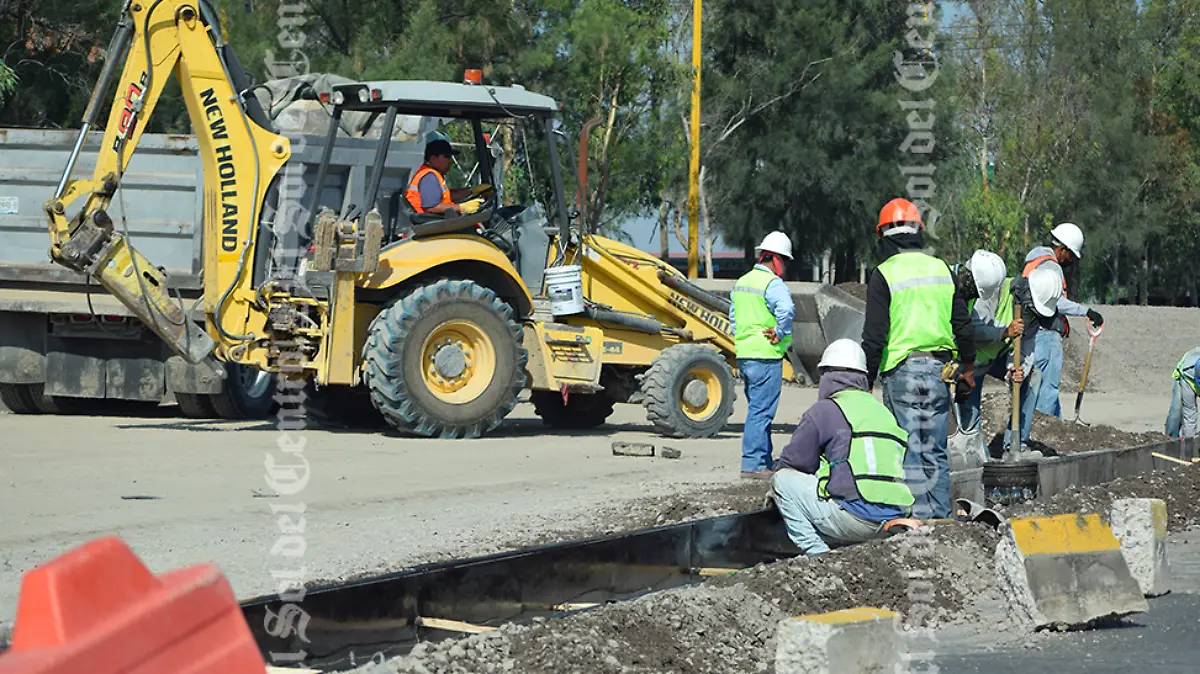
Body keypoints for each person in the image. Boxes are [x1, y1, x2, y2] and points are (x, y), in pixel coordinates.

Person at [862, 198, 976, 520]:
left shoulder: (883, 274)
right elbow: (962, 323)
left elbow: (874, 336)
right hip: (941, 371)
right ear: (918, 232)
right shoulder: (942, 270)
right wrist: (968, 367)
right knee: (936, 451)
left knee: (910, 450)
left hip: (902, 372)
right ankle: (942, 521)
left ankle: (916, 523)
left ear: (883, 235)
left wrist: (865, 381)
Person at [770, 339, 916, 555]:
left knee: (781, 480)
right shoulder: (883, 412)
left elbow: (795, 462)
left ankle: (818, 553)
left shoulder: (825, 410)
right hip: (896, 518)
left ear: (828, 375)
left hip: (855, 518)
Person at [729, 230, 796, 479]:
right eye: (785, 262)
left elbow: (734, 319)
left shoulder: (742, 282)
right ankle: (754, 464)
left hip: (745, 355)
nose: (785, 267)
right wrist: (780, 331)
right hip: (766, 355)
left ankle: (764, 460)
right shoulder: (772, 284)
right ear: (777, 259)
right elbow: (786, 308)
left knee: (757, 409)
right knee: (761, 412)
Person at [1021, 223, 1104, 418]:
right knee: (1048, 387)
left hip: (1033, 331)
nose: (1070, 260)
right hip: (1047, 333)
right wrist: (1087, 311)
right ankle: (1046, 430)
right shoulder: (1051, 266)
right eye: (1070, 255)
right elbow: (1056, 302)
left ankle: (1045, 424)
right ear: (1063, 249)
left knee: (1035, 385)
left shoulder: (1035, 261)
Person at [952, 250, 1024, 436]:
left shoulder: (970, 289)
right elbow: (972, 330)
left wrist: (1011, 367)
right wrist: (1004, 332)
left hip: (972, 362)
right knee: (958, 419)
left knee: (970, 419)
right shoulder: (954, 289)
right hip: (953, 361)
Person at [1003, 262, 1066, 459]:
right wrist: (1003, 332)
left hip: (1003, 353)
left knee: (1034, 375)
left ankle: (1014, 443)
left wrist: (1015, 368)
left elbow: (1027, 343)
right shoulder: (1001, 294)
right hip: (980, 352)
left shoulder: (1032, 312)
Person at [405, 133, 487, 216]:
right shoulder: (429, 176)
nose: (451, 161)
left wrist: (472, 191)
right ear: (433, 158)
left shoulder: (433, 174)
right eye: (447, 156)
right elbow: (431, 207)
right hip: (426, 223)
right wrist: (461, 207)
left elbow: (446, 196)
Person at [1166, 348, 1200, 439]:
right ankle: (1171, 440)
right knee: (1176, 410)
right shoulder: (1188, 374)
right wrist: (1189, 442)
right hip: (1185, 377)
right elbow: (1190, 412)